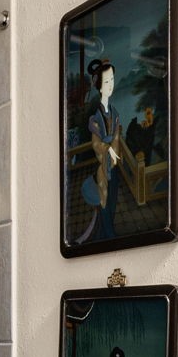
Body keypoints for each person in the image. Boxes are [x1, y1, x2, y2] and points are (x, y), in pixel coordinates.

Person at [79, 58, 121, 241]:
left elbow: (117, 137)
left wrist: (114, 151)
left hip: (114, 165)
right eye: (106, 81)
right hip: (103, 167)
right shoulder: (94, 116)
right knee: (103, 201)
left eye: (112, 80)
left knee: (112, 202)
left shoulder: (114, 113)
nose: (110, 85)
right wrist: (107, 150)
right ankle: (107, 236)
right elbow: (96, 142)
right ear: (99, 85)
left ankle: (108, 235)